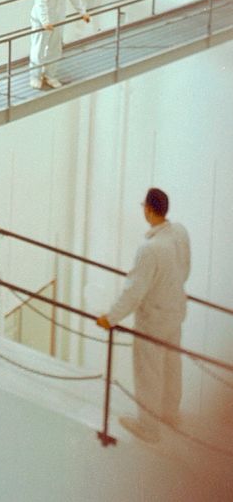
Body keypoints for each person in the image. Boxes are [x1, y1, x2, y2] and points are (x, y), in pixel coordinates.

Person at [96, 188, 191, 443]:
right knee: (172, 364)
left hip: (154, 319)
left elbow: (133, 291)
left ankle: (149, 427)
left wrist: (110, 318)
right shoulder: (180, 233)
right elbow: (185, 269)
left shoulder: (149, 249)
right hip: (175, 311)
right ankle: (170, 414)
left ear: (148, 209)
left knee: (149, 371)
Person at [29, 0, 91, 89]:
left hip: (58, 18)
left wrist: (82, 12)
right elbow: (41, 2)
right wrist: (45, 21)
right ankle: (35, 76)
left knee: (55, 47)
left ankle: (50, 75)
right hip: (41, 19)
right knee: (38, 48)